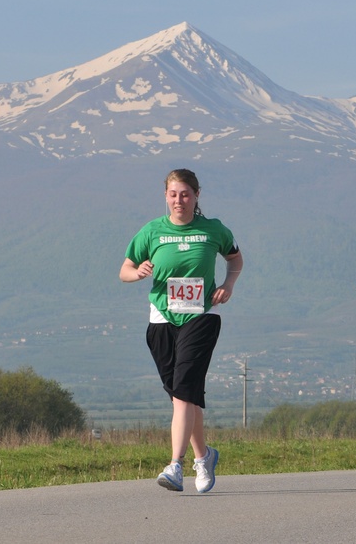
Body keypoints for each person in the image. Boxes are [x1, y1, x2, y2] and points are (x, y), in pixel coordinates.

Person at [120, 168, 243, 492]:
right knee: (181, 398)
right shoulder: (152, 231)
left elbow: (235, 259)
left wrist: (228, 285)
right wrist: (139, 272)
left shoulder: (213, 229)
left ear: (197, 195)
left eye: (186, 194)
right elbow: (125, 269)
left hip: (200, 316)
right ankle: (204, 457)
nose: (179, 200)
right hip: (161, 319)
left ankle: (175, 465)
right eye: (174, 194)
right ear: (165, 196)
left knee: (185, 387)